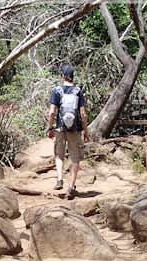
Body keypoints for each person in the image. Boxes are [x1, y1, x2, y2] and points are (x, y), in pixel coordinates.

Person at [47, 64, 89, 198]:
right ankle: (71, 187)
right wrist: (86, 131)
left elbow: (52, 112)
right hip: (75, 130)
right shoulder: (78, 91)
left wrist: (50, 127)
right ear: (72, 76)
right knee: (75, 157)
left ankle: (59, 180)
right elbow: (83, 115)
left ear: (62, 76)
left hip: (60, 128)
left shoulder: (57, 91)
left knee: (59, 155)